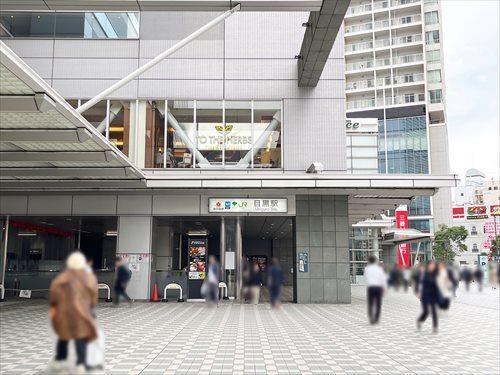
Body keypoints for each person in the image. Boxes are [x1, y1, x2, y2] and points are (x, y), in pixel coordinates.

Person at [48, 252, 98, 373]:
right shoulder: (89, 277)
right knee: (81, 337)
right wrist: (90, 307)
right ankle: (81, 363)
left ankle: (60, 360)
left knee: (63, 336)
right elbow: (93, 296)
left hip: (63, 312)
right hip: (81, 312)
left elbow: (54, 295)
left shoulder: (62, 277)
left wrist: (55, 306)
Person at [417, 261, 440, 333]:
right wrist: (419, 292)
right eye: (430, 265)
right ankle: (420, 321)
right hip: (425, 294)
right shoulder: (424, 273)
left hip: (433, 295)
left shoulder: (436, 274)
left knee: (434, 311)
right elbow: (420, 283)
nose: (432, 266)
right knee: (426, 311)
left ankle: (435, 327)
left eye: (433, 265)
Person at [363, 255, 387, 325]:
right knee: (378, 303)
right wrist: (384, 288)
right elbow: (383, 278)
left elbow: (365, 277)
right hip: (378, 287)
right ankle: (376, 318)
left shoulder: (366, 268)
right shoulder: (379, 269)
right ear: (375, 261)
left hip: (370, 287)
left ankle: (371, 318)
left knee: (370, 303)